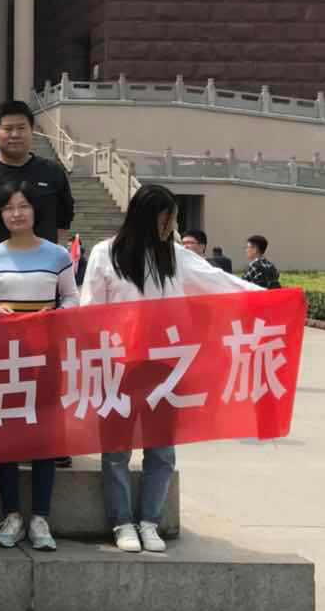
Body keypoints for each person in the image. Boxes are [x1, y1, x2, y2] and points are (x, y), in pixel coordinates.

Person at [80, 184, 261, 552]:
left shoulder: (175, 257)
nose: (171, 227)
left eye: (174, 220)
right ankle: (122, 523)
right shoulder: (105, 254)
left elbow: (218, 282)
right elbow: (90, 312)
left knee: (161, 450)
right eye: (167, 219)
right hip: (118, 367)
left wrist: (267, 299)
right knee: (116, 450)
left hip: (164, 368)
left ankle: (150, 521)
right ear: (146, 217)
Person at [0, 180, 80, 552]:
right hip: (4, 358)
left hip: (45, 356)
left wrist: (55, 315)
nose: (16, 213)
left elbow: (72, 298)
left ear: (36, 210)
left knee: (44, 437)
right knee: (6, 436)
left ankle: (39, 517)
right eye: (8, 207)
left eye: (23, 206)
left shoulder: (57, 255)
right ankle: (11, 515)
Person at [0, 100, 74, 257]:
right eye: (8, 129)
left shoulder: (52, 172)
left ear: (32, 131)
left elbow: (64, 219)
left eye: (21, 128)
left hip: (43, 265)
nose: (15, 135)